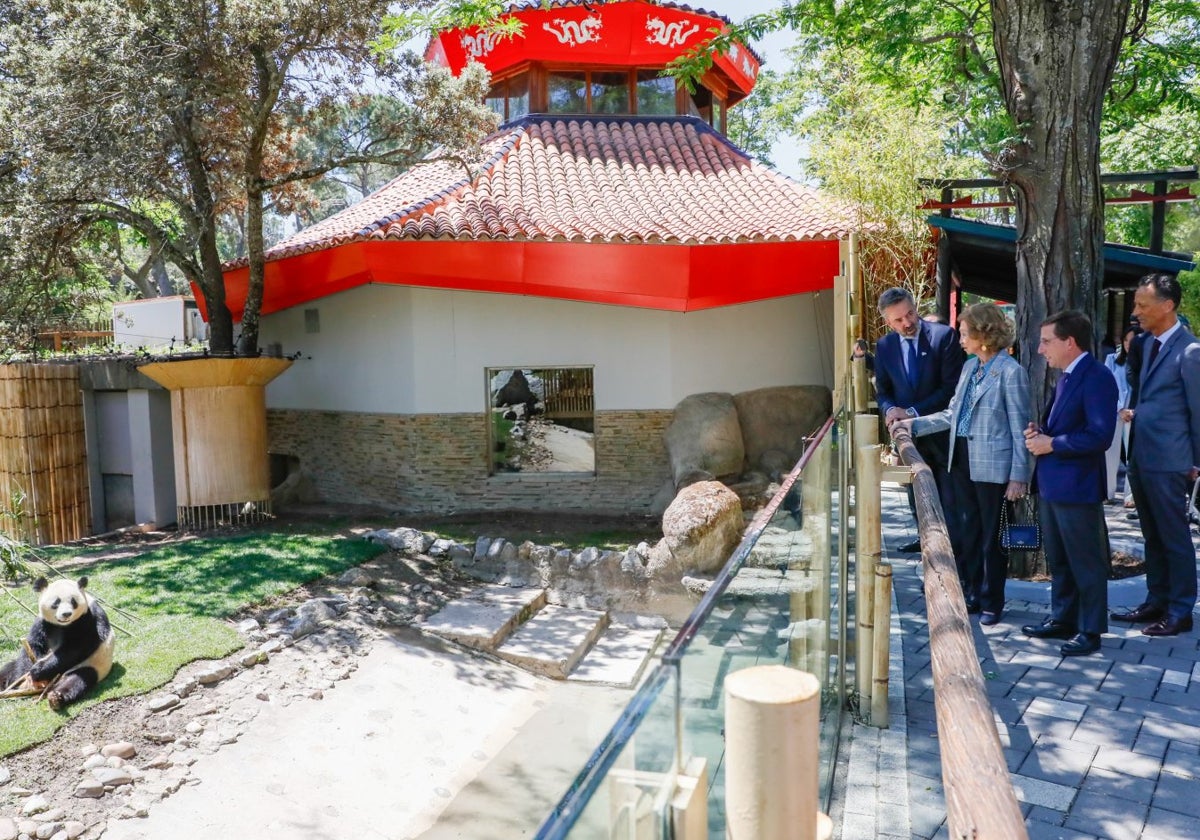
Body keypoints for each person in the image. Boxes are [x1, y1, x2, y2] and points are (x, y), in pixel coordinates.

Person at [891, 303, 1031, 624]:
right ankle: (970, 591)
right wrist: (914, 424)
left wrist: (1019, 477)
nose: (960, 339)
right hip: (963, 459)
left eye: (965, 333)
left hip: (995, 468)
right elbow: (953, 414)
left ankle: (992, 601)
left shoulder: (1011, 372)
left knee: (992, 537)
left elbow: (1020, 428)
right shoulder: (970, 368)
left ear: (984, 335)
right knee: (967, 530)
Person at [1022, 310, 1118, 656]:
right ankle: (1063, 618)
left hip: (1077, 487)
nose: (1040, 349)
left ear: (1069, 342)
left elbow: (1099, 435)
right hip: (1053, 484)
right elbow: (1065, 428)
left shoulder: (1097, 377)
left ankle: (1090, 630)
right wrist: (1041, 433)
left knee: (1085, 560)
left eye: (1046, 341)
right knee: (1059, 558)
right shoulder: (1064, 377)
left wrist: (1052, 444)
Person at [1110, 273, 1200, 636]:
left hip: (1171, 460)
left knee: (1174, 537)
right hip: (1142, 456)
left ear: (1168, 305)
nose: (1136, 312)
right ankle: (1156, 601)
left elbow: (1198, 409)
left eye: (1142, 305)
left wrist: (1196, 461)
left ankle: (1181, 611)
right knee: (1152, 536)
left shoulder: (1191, 352)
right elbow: (1141, 392)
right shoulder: (1145, 344)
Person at [873, 288, 965, 553]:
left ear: (915, 308)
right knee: (916, 490)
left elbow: (950, 389)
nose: (907, 323)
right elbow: (884, 391)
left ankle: (953, 550)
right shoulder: (884, 346)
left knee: (948, 495)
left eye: (910, 314)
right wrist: (890, 410)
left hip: (944, 433)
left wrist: (911, 412)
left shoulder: (943, 337)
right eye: (899, 320)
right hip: (909, 438)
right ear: (888, 322)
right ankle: (924, 536)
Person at [1103, 325, 1137, 502]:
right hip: (1115, 412)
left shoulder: (1145, 362)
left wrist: (1134, 410)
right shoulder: (1112, 360)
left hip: (1135, 413)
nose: (1128, 344)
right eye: (1126, 340)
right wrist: (1119, 408)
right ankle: (1107, 492)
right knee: (1110, 454)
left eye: (1132, 341)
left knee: (1132, 455)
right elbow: (1105, 388)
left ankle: (1130, 497)